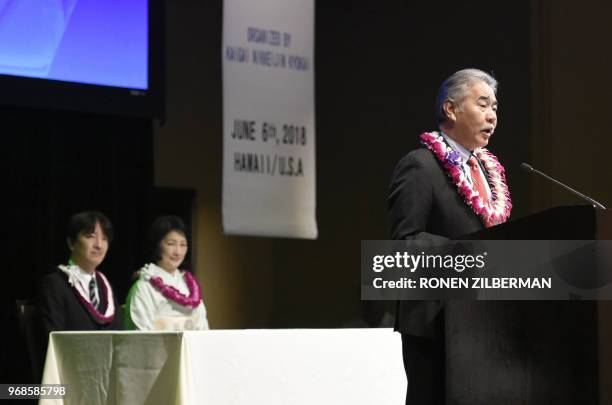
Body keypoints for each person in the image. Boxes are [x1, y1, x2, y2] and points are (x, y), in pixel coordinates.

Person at [387, 68, 512, 404]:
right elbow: (404, 244)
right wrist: (470, 256)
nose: (492, 116)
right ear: (451, 109)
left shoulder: (490, 174)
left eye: (495, 108)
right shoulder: (420, 166)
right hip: (436, 323)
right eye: (483, 104)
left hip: (487, 325)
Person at [38, 211, 124, 338]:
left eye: (104, 239)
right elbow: (54, 339)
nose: (99, 245)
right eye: (90, 236)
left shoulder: (106, 287)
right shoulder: (55, 284)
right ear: (71, 243)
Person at [125, 216, 209, 330]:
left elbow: (202, 327)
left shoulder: (190, 287)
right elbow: (142, 335)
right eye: (171, 244)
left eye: (183, 245)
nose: (178, 252)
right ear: (157, 245)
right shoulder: (144, 287)